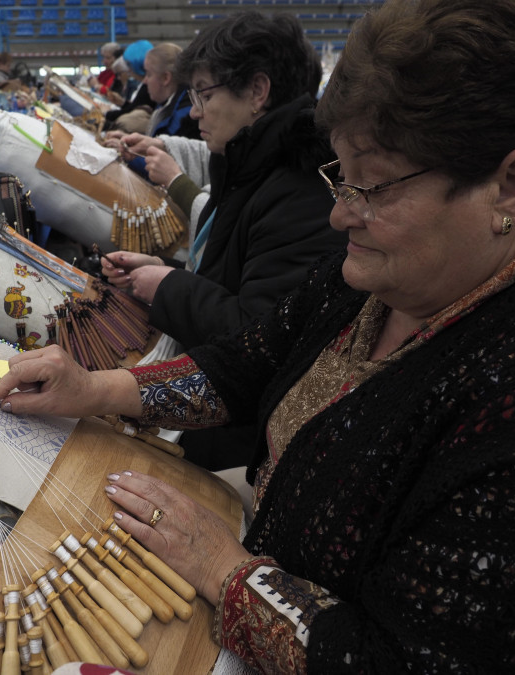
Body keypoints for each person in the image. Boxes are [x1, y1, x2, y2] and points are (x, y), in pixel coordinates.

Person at [0, 0, 515, 672]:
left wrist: (224, 566)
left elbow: (403, 659)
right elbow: (252, 362)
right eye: (340, 175)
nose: (338, 212)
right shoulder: (378, 274)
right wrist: (94, 388)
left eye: (371, 185)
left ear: (512, 186)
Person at [102, 12, 342, 470]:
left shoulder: (299, 190)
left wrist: (168, 288)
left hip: (239, 438)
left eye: (203, 95)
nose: (194, 112)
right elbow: (230, 279)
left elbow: (261, 335)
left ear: (257, 91)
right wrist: (165, 274)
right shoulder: (248, 165)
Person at [104, 42, 199, 179]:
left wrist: (127, 154)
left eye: (148, 74)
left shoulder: (186, 114)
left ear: (166, 78)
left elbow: (168, 168)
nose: (145, 81)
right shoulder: (167, 106)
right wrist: (130, 142)